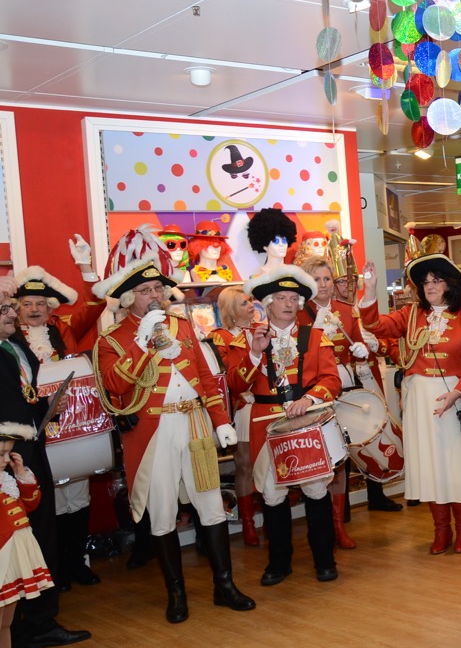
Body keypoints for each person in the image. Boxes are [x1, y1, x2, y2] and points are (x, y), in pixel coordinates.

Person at [92, 257, 254, 622]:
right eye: (144, 290)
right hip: (153, 433)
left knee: (211, 505)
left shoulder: (181, 325)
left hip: (194, 423)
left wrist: (220, 420)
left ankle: (224, 586)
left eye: (157, 289)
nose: (153, 295)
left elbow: (205, 376)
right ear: (127, 298)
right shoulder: (112, 339)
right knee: (162, 513)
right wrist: (143, 341)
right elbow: (115, 385)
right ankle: (176, 594)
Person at [360, 253, 461, 553]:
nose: (429, 286)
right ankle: (441, 530)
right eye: (425, 282)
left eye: (436, 280)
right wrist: (370, 289)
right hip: (420, 400)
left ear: (450, 284)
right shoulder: (410, 314)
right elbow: (376, 325)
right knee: (430, 465)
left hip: (456, 399)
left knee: (457, 465)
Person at [225, 266, 342, 586]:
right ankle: (278, 563)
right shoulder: (247, 340)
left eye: (293, 298)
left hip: (306, 422)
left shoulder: (315, 337)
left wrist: (310, 398)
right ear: (267, 303)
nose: (289, 304)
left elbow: (331, 380)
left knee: (316, 491)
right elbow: (235, 384)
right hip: (266, 426)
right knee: (272, 495)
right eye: (281, 298)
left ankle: (325, 560)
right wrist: (254, 353)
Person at [12, 246, 106, 592]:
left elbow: (95, 305)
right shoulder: (9, 340)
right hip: (36, 429)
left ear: (50, 307)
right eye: (27, 304)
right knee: (48, 500)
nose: (34, 309)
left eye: (40, 303)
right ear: (16, 308)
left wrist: (85, 266)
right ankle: (55, 571)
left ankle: (76, 563)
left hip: (73, 426)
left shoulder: (63, 329)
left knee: (77, 497)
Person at [299, 255, 402, 549]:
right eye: (316, 280)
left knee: (342, 458)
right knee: (321, 458)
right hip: (313, 391)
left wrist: (361, 350)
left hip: (345, 388)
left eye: (327, 279)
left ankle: (338, 525)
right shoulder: (298, 313)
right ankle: (321, 526)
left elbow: (361, 345)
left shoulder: (345, 310)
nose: (323, 285)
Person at [0, 427, 52, 648]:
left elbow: (31, 505)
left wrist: (22, 475)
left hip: (13, 555)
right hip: (2, 556)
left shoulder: (6, 480)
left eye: (8, 454)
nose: (5, 460)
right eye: (0, 454)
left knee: (6, 623)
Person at [210, 287, 260, 546]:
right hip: (243, 408)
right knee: (245, 466)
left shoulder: (261, 329)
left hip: (267, 405)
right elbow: (221, 379)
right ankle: (248, 524)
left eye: (250, 301)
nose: (251, 305)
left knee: (271, 465)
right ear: (230, 310)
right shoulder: (218, 337)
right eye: (244, 303)